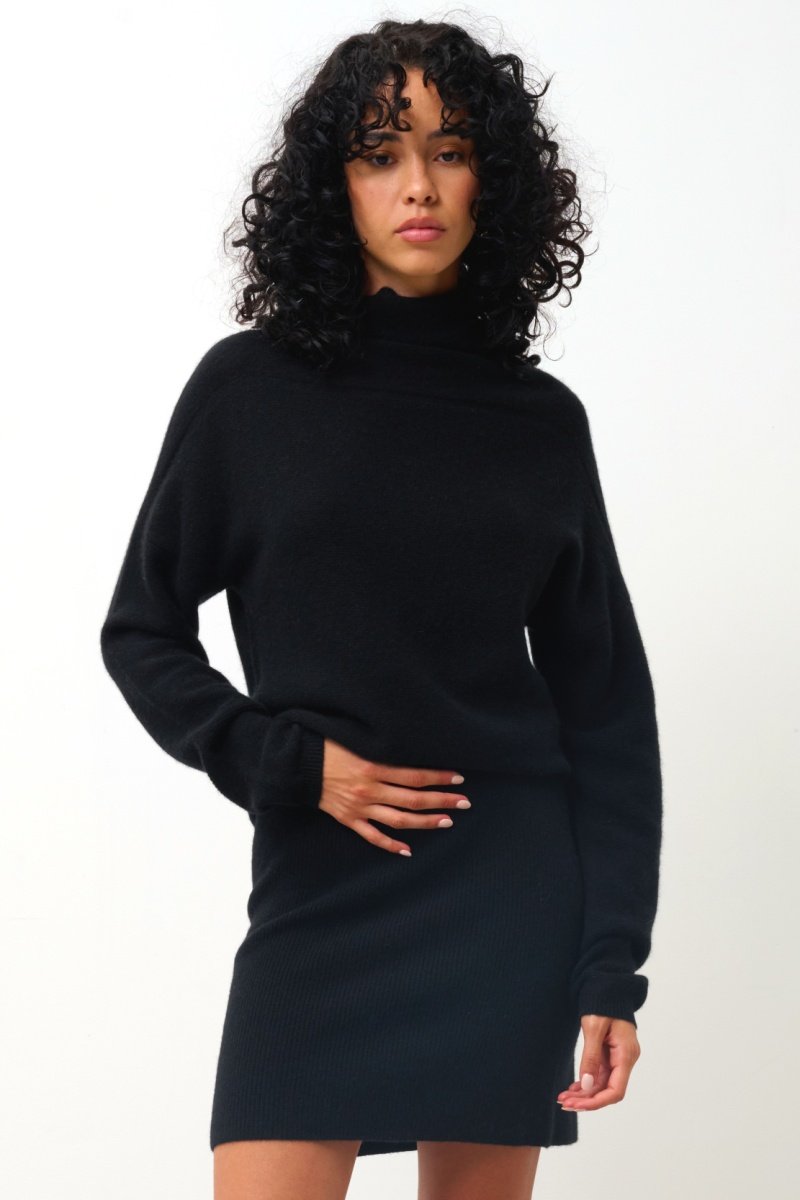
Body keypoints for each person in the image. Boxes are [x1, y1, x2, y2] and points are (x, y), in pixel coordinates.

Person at [99, 18, 662, 1200]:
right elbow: (141, 629)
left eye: (450, 152)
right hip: (318, 886)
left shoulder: (538, 421)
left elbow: (605, 707)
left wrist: (610, 967)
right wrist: (289, 764)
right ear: (333, 185)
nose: (417, 186)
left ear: (491, 182)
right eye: (378, 154)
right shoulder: (249, 391)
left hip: (503, 889)